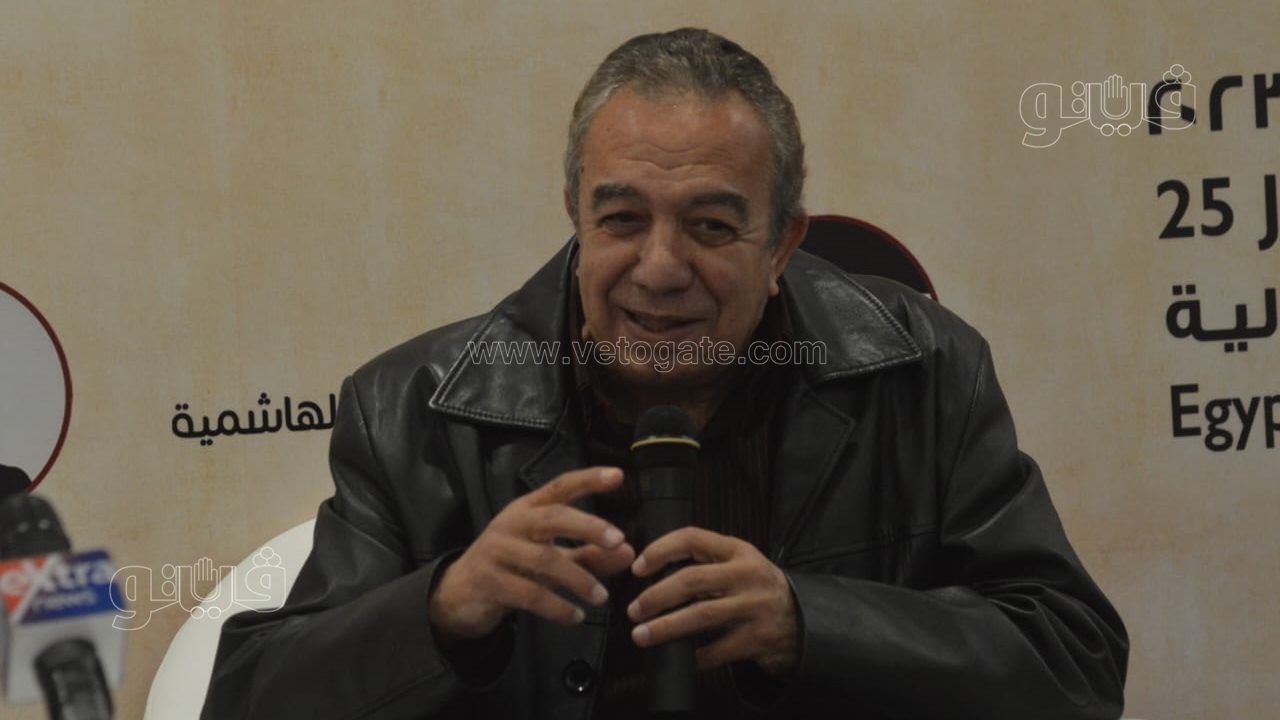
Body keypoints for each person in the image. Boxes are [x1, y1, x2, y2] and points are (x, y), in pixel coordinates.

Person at [202, 28, 1127, 720]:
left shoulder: (923, 372)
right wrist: (442, 608)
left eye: (712, 227)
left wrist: (812, 623)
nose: (659, 268)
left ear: (782, 244)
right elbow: (247, 698)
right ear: (575, 214)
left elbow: (1075, 665)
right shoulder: (414, 412)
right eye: (620, 220)